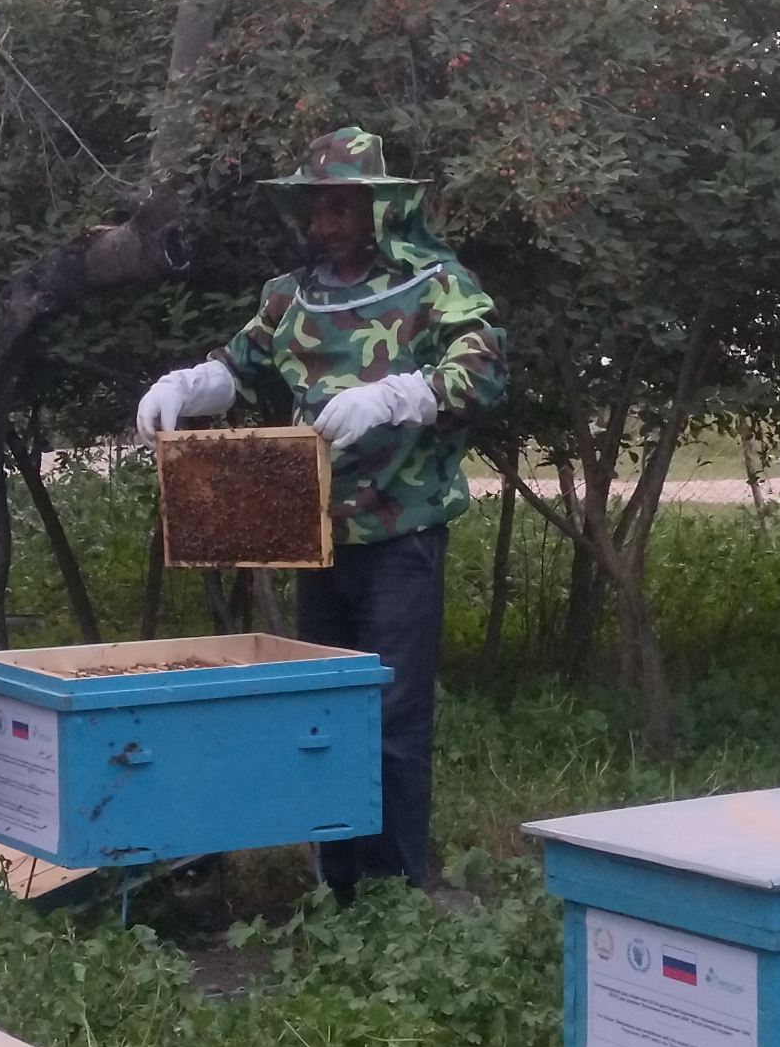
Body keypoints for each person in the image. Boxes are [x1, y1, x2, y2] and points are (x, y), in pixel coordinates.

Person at [133, 127, 506, 901]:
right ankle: (338, 881)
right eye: (318, 209)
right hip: (314, 537)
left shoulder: (436, 283)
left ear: (377, 210)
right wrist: (186, 387)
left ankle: (397, 888)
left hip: (400, 534)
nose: (328, 224)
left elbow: (482, 371)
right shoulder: (289, 296)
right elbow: (237, 366)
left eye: (342, 208)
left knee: (395, 716)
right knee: (324, 714)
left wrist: (399, 395)